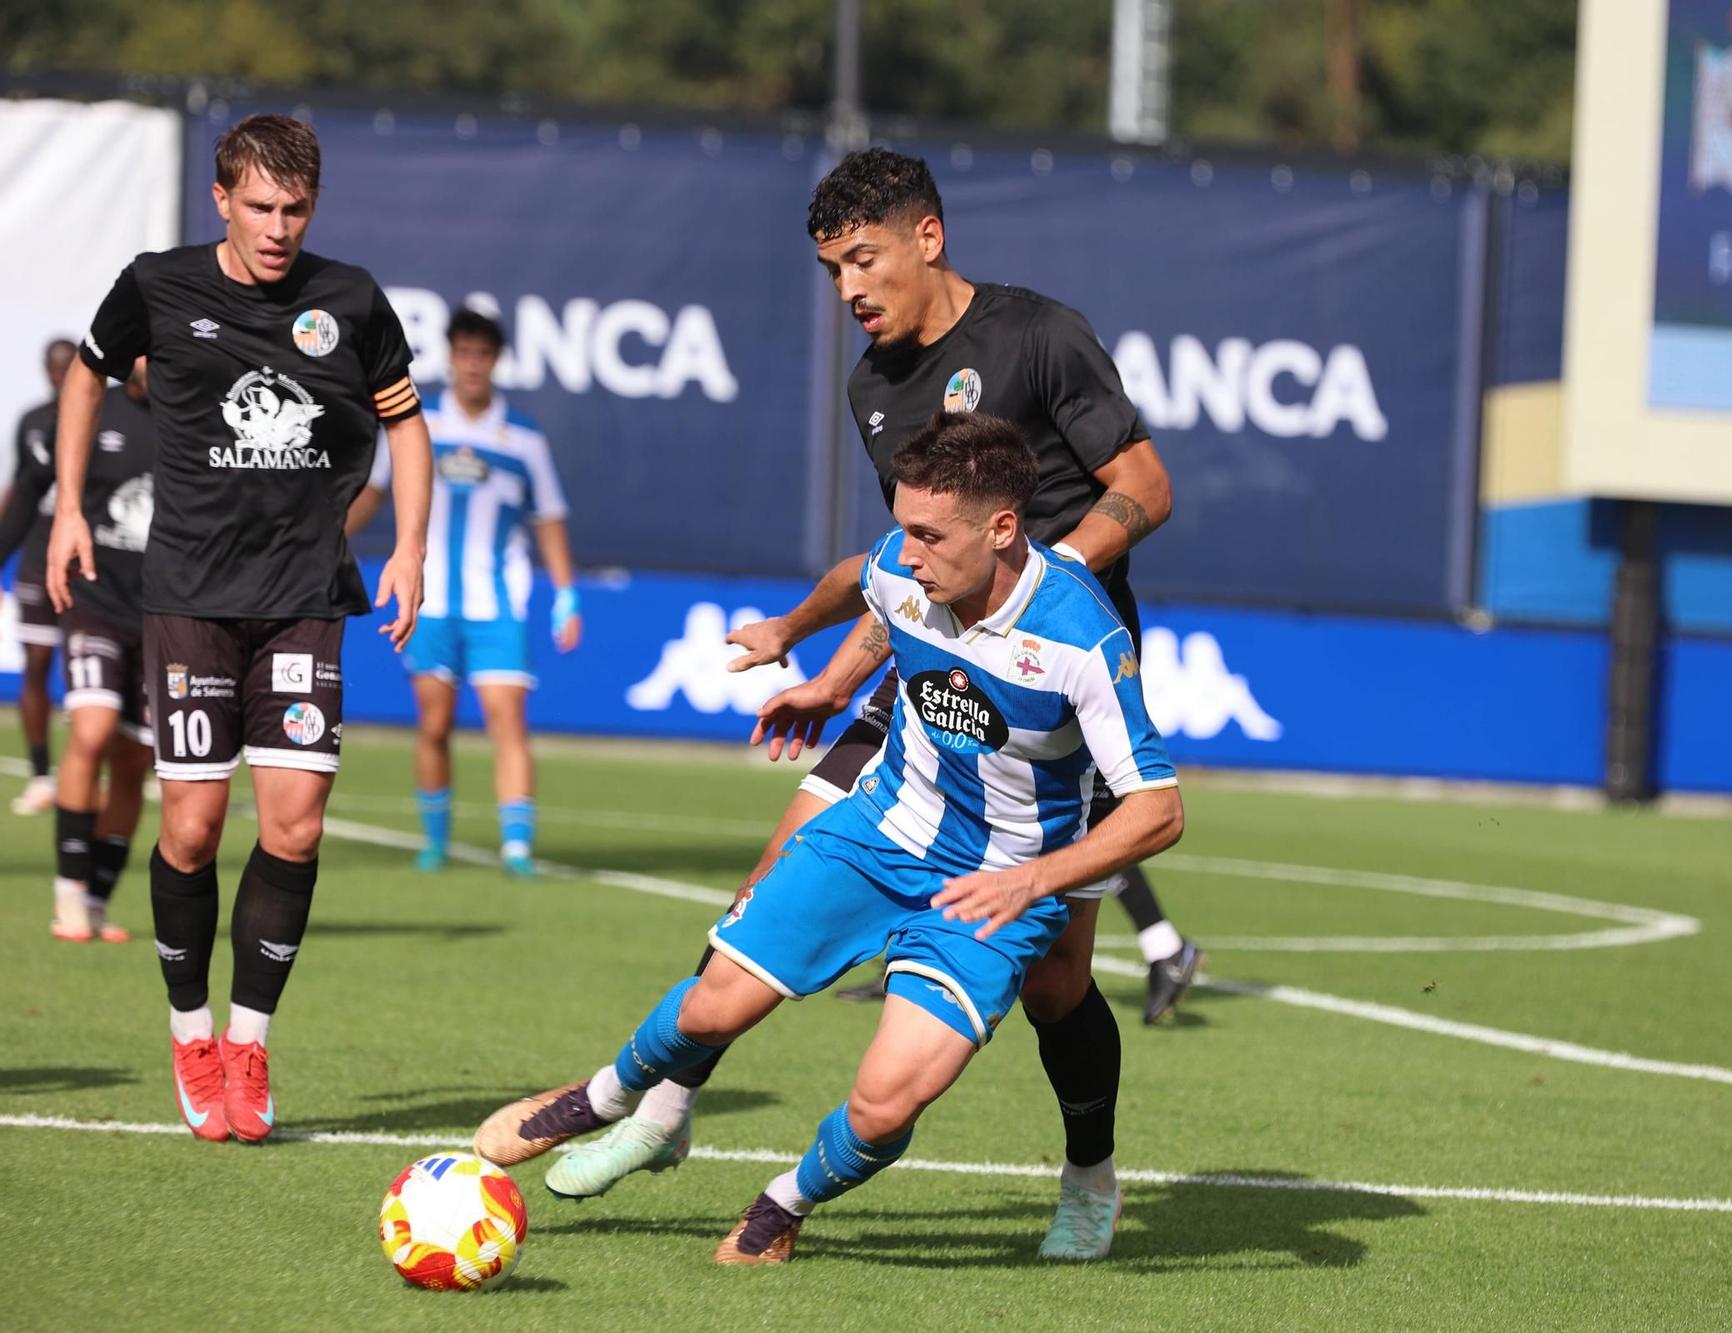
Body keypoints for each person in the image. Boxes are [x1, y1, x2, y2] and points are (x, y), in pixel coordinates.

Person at [549, 148, 1199, 1260]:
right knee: (767, 890)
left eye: (863, 258)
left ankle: (1088, 1172)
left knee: (1055, 987)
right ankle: (660, 1112)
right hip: (925, 675)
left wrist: (1045, 594)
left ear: (926, 238)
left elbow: (1144, 484)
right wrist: (836, 675)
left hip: (1045, 703)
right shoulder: (873, 385)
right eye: (830, 269)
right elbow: (910, 561)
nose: (848, 287)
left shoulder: (1038, 334)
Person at [475, 411, 1184, 1264]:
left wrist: (1033, 883)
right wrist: (808, 656)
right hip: (882, 831)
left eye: (930, 534)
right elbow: (865, 577)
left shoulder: (1080, 637)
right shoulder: (906, 566)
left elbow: (1158, 808)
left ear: (1002, 528)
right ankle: (603, 1096)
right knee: (712, 1003)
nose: (910, 552)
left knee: (888, 1102)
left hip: (997, 883)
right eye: (904, 529)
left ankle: (785, 1201)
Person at [48, 114, 430, 1145]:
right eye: (258, 206)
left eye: (294, 209)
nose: (276, 228)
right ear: (220, 198)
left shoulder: (347, 298)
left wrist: (409, 548)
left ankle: (250, 1040)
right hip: (189, 597)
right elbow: (87, 373)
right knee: (191, 829)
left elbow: (406, 421)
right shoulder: (157, 284)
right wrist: (72, 504)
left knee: (296, 823)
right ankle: (190, 1030)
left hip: (305, 594)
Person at [345, 307, 580, 876]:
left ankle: (517, 847)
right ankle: (435, 841)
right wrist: (329, 538)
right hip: (429, 603)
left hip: (496, 604)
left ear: (496, 362)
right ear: (450, 357)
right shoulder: (417, 420)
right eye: (464, 353)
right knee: (433, 723)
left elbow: (547, 517)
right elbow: (376, 490)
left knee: (508, 721)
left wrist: (567, 594)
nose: (473, 365)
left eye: (483, 355)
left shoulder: (522, 436)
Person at [0, 359, 157, 941]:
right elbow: (30, 489)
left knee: (133, 760)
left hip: (167, 616)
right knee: (91, 731)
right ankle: (67, 893)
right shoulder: (94, 409)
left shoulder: (198, 413)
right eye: (142, 351)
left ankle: (96, 898)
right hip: (95, 600)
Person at [6, 337, 77, 814]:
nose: (59, 377)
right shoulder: (33, 423)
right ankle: (39, 774)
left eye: (66, 369)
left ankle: (123, 762)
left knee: (103, 671)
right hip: (38, 558)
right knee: (36, 663)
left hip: (94, 563)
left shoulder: (108, 415)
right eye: (53, 370)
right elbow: (21, 491)